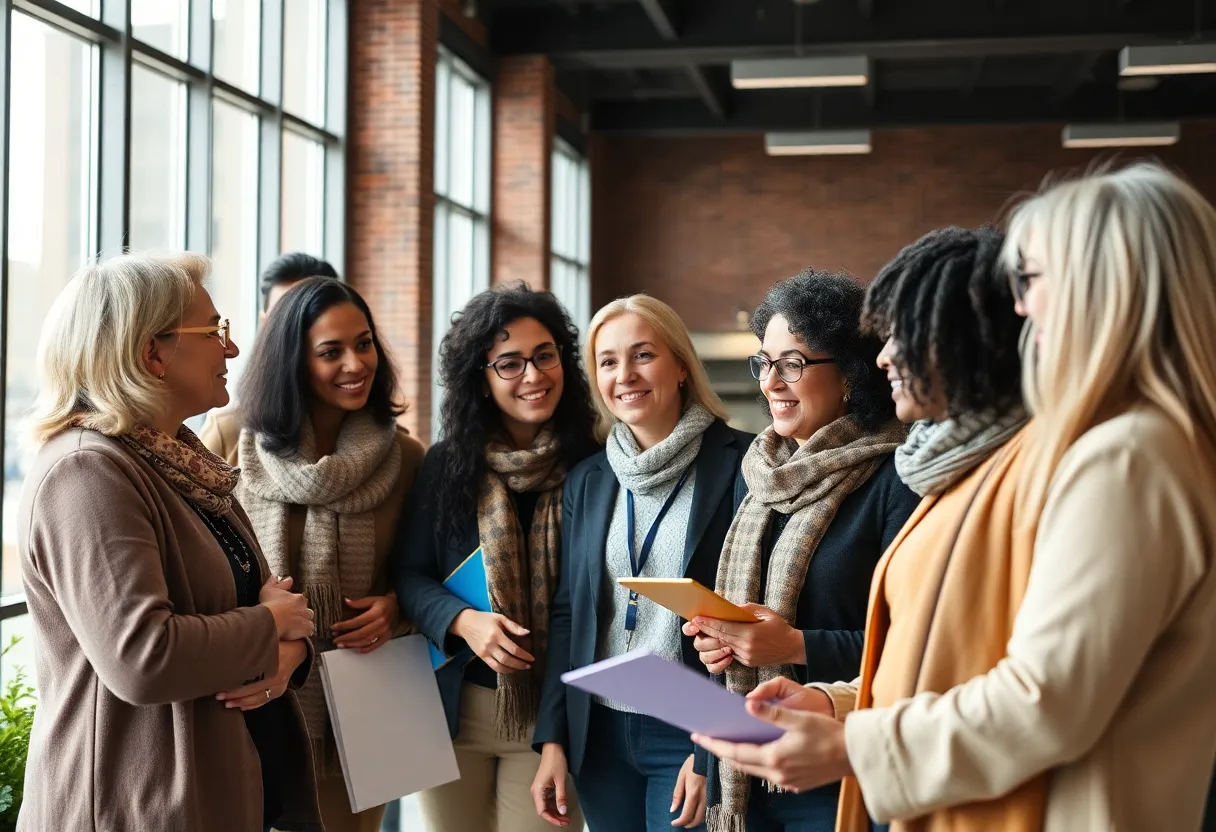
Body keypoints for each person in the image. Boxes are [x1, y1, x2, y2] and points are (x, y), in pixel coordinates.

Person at [693, 163, 1216, 831]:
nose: (1019, 308)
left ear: (1109, 288)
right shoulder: (1082, 451)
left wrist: (852, 740)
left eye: (1032, 281)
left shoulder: (1128, 456)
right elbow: (959, 660)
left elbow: (1045, 700)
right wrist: (838, 704)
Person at [17, 252, 321, 831]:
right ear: (150, 353)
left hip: (208, 788)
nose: (232, 350)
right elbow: (143, 659)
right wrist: (269, 628)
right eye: (215, 332)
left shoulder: (176, 458)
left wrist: (287, 651)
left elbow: (249, 603)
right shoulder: (86, 473)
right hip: (132, 806)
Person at [686, 270, 918, 832]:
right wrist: (726, 641)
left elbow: (911, 647)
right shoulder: (759, 475)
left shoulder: (897, 478)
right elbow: (745, 613)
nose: (771, 383)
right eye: (763, 363)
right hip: (749, 755)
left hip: (838, 766)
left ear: (850, 375)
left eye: (792, 364)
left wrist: (792, 644)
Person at [201, 276, 424, 832]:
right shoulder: (232, 437)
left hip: (372, 690)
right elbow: (194, 559)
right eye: (331, 351)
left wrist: (396, 605)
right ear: (292, 361)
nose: (356, 363)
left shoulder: (408, 456)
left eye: (365, 343)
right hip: (254, 688)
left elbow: (431, 572)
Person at [531, 294, 753, 832]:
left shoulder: (743, 464)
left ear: (680, 365)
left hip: (688, 725)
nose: (624, 375)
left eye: (643, 355)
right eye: (607, 361)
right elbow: (570, 613)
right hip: (599, 733)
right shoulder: (589, 478)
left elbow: (749, 612)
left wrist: (711, 747)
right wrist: (554, 739)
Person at [394, 282, 598, 832]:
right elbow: (410, 575)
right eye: (509, 364)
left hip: (549, 713)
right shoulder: (447, 466)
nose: (532, 376)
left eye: (544, 356)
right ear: (481, 381)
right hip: (452, 712)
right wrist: (464, 621)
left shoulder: (597, 463)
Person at [201, 251, 338, 458]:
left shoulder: (386, 444)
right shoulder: (226, 432)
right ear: (265, 324)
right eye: (282, 317)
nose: (295, 331)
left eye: (311, 316)